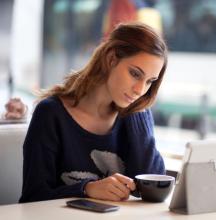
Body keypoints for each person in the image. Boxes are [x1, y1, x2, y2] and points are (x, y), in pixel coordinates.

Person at [19, 22, 168, 203]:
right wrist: (86, 189)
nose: (140, 90)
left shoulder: (134, 117)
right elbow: (32, 197)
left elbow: (152, 189)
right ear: (111, 59)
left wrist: (138, 112)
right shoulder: (51, 114)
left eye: (150, 81)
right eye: (135, 74)